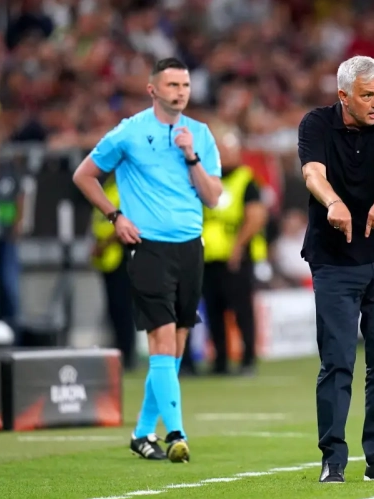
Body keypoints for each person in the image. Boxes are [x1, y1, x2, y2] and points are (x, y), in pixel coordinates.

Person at [72, 57, 223, 462]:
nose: (180, 92)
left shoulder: (201, 135)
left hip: (191, 246)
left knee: (176, 347)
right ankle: (175, 433)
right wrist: (114, 216)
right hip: (149, 247)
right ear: (153, 89)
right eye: (172, 84)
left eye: (186, 85)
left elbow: (212, 197)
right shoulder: (129, 133)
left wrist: (191, 156)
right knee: (161, 337)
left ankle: (142, 433)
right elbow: (84, 175)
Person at [298, 55, 374, 483]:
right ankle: (333, 457)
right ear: (343, 95)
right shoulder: (315, 124)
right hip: (335, 261)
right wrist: (334, 203)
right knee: (337, 361)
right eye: (368, 95)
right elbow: (312, 173)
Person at [201, 129, 268, 376]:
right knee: (213, 312)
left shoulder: (246, 180)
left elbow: (255, 216)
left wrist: (238, 247)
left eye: (227, 151)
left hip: (236, 257)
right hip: (209, 257)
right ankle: (219, 361)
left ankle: (248, 359)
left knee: (241, 310)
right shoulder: (206, 181)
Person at [90, 173, 136, 370]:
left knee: (123, 309)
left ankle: (127, 355)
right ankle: (120, 353)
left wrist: (104, 245)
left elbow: (126, 222)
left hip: (121, 255)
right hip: (107, 260)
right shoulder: (108, 186)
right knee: (114, 310)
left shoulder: (127, 187)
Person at [0, 127, 23, 337]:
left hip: (4, 238)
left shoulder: (9, 170)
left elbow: (20, 197)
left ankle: (12, 336)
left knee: (9, 289)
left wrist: (17, 225)